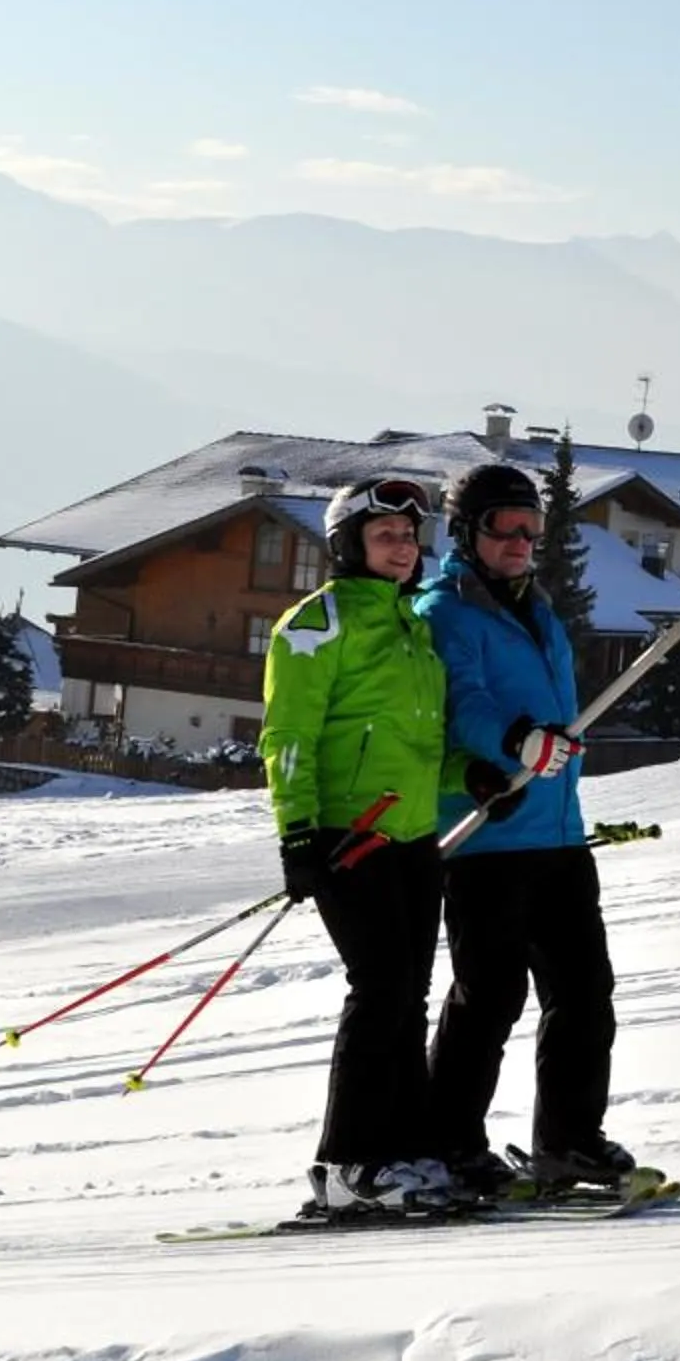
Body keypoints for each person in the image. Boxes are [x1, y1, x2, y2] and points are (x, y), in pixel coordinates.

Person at [418, 460, 637, 1201]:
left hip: (559, 835)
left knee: (584, 992)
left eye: (531, 530)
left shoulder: (537, 609)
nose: (519, 542)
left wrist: (550, 750)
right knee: (491, 994)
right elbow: (461, 706)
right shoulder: (444, 612)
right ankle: (448, 1143)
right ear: (466, 532)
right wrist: (518, 742)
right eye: (503, 528)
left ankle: (568, 1141)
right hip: (489, 836)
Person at [259, 476, 456, 1216]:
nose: (403, 550)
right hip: (351, 836)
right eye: (386, 537)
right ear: (348, 545)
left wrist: (479, 772)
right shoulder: (318, 622)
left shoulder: (414, 627)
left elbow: (420, 740)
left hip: (413, 835)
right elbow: (287, 735)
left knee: (409, 996)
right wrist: (299, 832)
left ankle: (400, 1154)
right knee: (378, 992)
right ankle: (347, 1164)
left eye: (409, 538)